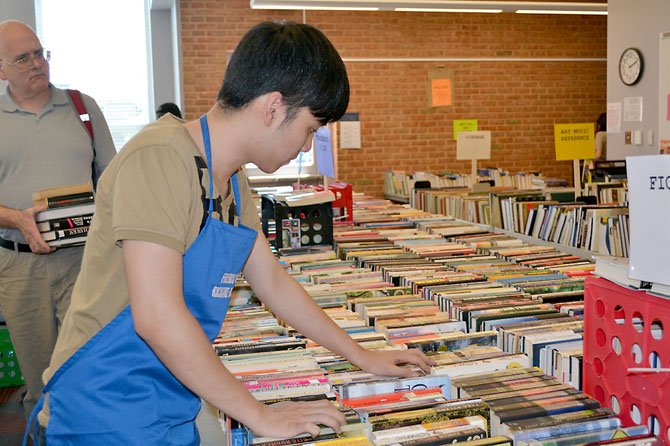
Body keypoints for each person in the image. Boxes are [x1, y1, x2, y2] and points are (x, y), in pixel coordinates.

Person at [32, 21, 434, 444]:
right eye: (310, 128)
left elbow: (274, 282)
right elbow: (156, 317)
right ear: (273, 107)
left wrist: (362, 355)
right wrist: (260, 416)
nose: (305, 145)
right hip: (105, 406)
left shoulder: (233, 183)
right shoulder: (160, 158)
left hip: (169, 395)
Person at [0, 20, 116, 421]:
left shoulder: (82, 108)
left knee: (87, 366)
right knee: (39, 377)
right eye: (22, 58)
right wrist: (16, 219)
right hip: (18, 266)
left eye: (39, 53)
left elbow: (113, 181)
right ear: (1, 69)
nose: (36, 64)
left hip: (84, 259)